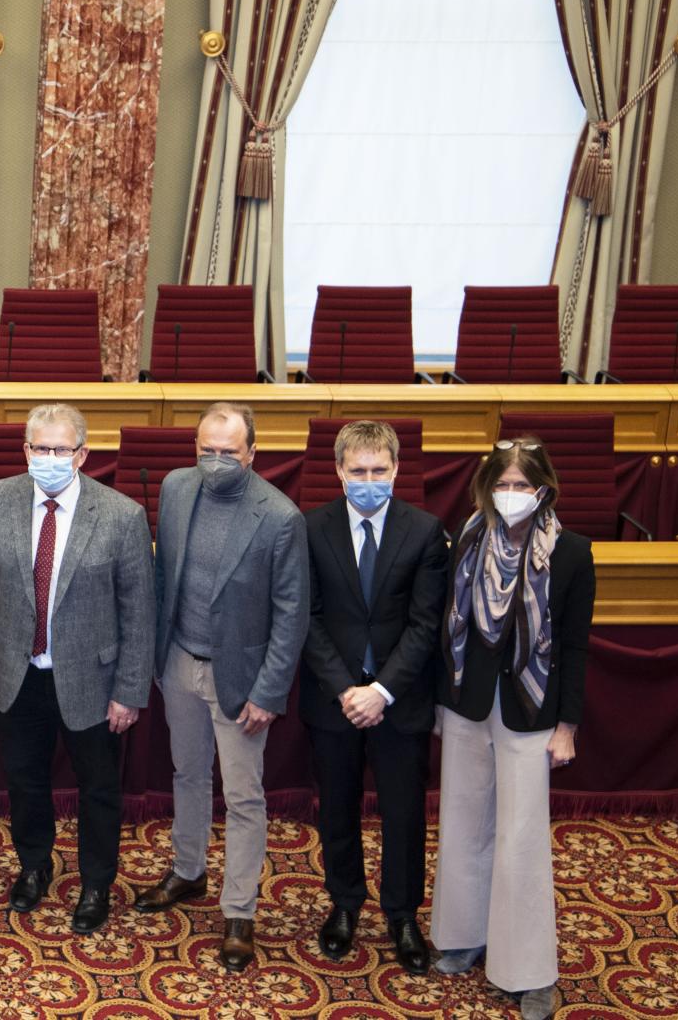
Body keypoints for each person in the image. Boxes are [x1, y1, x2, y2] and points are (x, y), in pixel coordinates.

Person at [0, 403, 153, 933]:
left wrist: (130, 691)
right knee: (25, 781)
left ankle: (95, 884)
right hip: (15, 674)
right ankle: (34, 865)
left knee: (98, 787)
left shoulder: (121, 515)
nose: (47, 458)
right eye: (38, 449)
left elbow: (139, 612)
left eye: (59, 450)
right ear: (24, 451)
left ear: (82, 455)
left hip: (93, 679)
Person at [135, 401, 307, 972]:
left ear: (253, 453)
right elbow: (164, 574)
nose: (215, 462)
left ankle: (239, 910)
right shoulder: (178, 488)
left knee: (242, 796)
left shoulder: (279, 517)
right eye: (206, 451)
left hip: (242, 678)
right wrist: (158, 660)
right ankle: (188, 870)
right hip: (180, 660)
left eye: (228, 453)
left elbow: (291, 615)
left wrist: (269, 691)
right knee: (187, 772)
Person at [429, 438, 593, 1020]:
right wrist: (440, 704)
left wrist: (567, 725)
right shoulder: (467, 539)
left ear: (544, 488)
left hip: (532, 709)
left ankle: (527, 971)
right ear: (485, 488)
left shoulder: (571, 553)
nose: (512, 495)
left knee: (521, 838)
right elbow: (448, 627)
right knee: (465, 822)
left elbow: (574, 646)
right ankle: (464, 935)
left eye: (523, 485)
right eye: (502, 484)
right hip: (468, 703)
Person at [300, 420, 447, 972]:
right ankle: (344, 904)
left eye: (378, 471)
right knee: (336, 808)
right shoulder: (311, 529)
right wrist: (346, 689)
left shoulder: (426, 531)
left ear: (396, 470)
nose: (368, 480)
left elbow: (425, 624)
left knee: (404, 813)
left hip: (399, 700)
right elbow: (306, 619)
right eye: (357, 471)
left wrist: (380, 691)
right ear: (339, 472)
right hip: (333, 700)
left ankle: (403, 913)